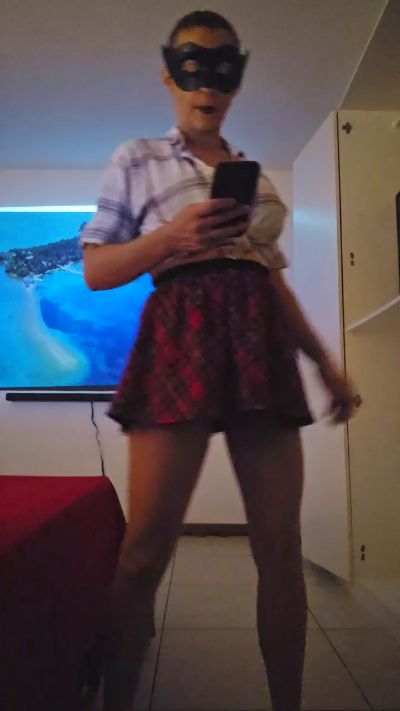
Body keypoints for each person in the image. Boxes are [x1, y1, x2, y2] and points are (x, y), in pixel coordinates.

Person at [81, 10, 361, 711]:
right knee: (144, 553)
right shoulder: (136, 158)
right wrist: (173, 236)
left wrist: (325, 364)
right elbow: (96, 269)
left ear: (237, 79)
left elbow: (272, 280)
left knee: (280, 548)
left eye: (223, 67)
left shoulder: (255, 181)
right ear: (169, 74)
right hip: (180, 329)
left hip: (258, 337)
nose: (206, 82)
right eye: (192, 65)